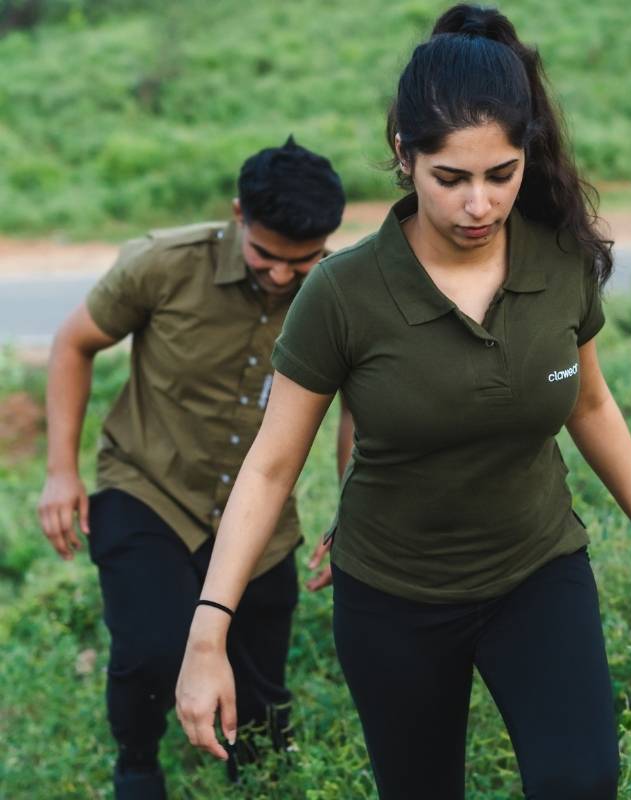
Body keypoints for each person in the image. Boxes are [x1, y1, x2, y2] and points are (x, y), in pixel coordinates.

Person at [175, 7, 631, 799]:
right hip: (393, 599)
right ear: (404, 154)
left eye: (502, 174)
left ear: (528, 155)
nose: (479, 205)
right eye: (451, 178)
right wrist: (209, 631)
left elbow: (589, 402)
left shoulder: (560, 259)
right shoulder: (342, 292)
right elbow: (274, 466)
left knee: (581, 781)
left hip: (536, 571)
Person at [37, 136, 351, 799]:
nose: (284, 277)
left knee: (263, 696)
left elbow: (362, 403)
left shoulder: (340, 290)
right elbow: (73, 343)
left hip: (262, 515)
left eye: (304, 261)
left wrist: (353, 502)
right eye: (268, 256)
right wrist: (61, 471)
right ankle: (138, 765)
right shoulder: (164, 263)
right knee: (151, 651)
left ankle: (256, 773)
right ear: (239, 213)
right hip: (148, 485)